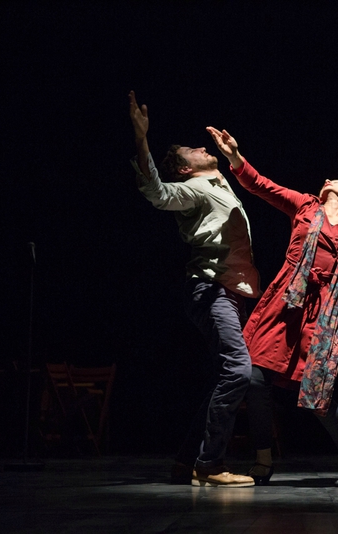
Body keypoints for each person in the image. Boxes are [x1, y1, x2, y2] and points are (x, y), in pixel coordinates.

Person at [207, 126, 338, 487]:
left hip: (322, 319)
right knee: (254, 379)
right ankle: (263, 459)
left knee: (317, 392)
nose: (326, 179)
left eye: (336, 181)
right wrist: (234, 156)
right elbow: (261, 185)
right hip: (283, 308)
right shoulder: (305, 206)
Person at [128, 91, 258, 487]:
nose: (202, 147)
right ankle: (211, 464)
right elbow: (158, 193)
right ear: (185, 169)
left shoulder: (216, 183)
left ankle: (188, 460)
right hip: (211, 289)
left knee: (225, 374)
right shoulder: (194, 189)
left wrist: (234, 157)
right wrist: (141, 139)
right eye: (193, 149)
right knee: (238, 370)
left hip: (227, 290)